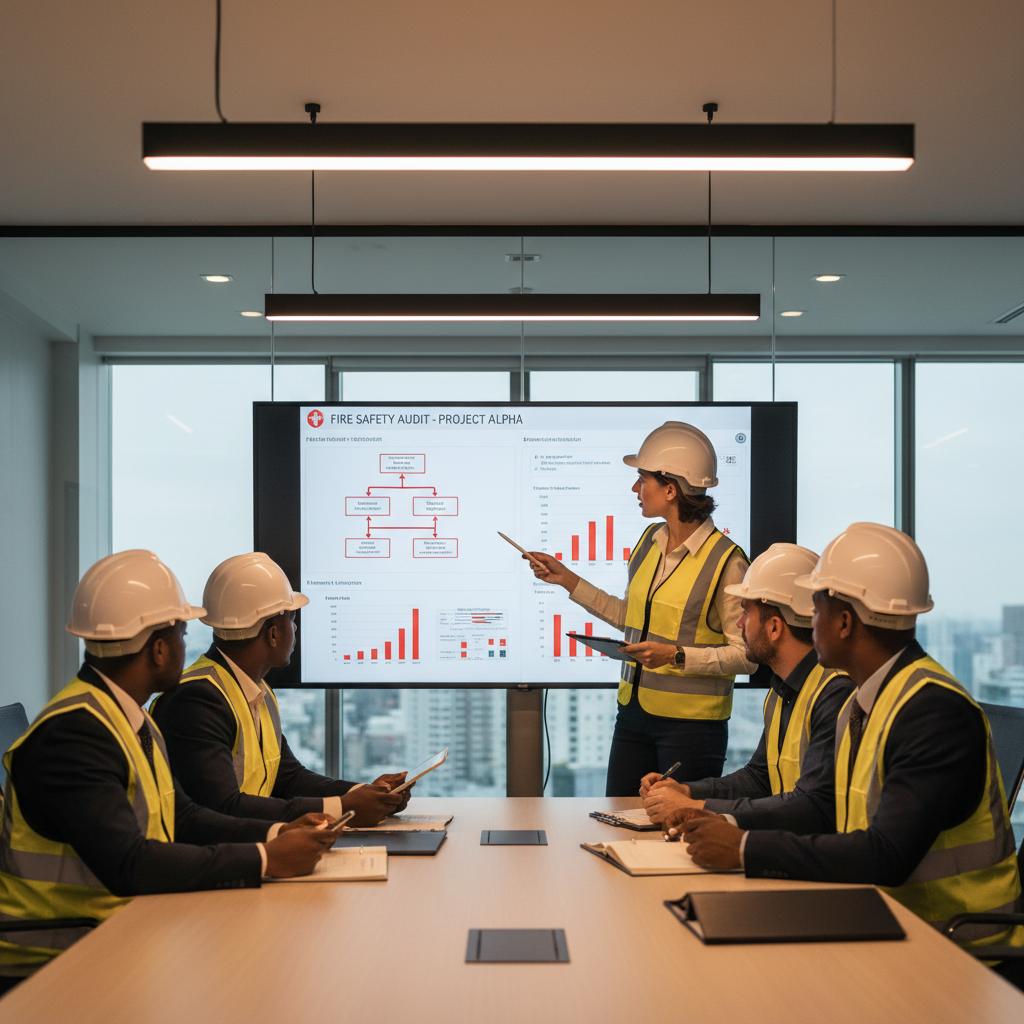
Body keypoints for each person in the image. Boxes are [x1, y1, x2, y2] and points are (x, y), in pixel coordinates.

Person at [676, 523, 1024, 959]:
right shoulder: (863, 702)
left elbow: (886, 855)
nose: (809, 621)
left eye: (816, 609)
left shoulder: (933, 713)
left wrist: (744, 847)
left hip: (957, 951)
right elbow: (831, 815)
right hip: (883, 922)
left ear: (843, 622)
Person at [0, 551, 337, 989]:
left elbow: (183, 817)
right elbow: (129, 862)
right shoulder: (73, 736)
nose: (188, 647)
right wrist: (266, 859)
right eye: (182, 632)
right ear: (159, 649)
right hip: (56, 960)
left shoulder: (128, 718)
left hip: (124, 930)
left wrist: (278, 835)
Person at [526, 421, 755, 796]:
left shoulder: (727, 561)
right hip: (633, 715)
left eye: (642, 479)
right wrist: (566, 579)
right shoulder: (650, 541)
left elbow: (747, 656)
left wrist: (675, 656)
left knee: (676, 825)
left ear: (671, 488)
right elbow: (628, 616)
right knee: (618, 816)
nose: (635, 489)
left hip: (691, 729)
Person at [151, 553, 411, 826]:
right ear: (273, 633)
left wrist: (365, 793)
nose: (295, 628)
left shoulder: (257, 691)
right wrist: (343, 807)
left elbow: (287, 778)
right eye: (291, 618)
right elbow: (223, 807)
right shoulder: (196, 700)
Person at [640, 543, 853, 831]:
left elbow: (811, 806)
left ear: (774, 627)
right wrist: (687, 791)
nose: (739, 623)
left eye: (746, 613)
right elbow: (759, 778)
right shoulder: (783, 690)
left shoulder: (835, 694)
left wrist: (698, 808)